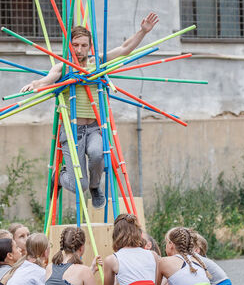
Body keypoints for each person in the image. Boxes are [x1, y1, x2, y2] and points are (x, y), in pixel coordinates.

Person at [20, 13, 160, 208]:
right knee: (79, 186)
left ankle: (96, 186)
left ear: (89, 46)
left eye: (84, 45)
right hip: (72, 131)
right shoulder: (64, 67)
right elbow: (46, 79)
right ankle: (60, 178)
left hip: (95, 127)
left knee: (97, 153)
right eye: (75, 45)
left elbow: (124, 49)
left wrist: (143, 31)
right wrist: (35, 84)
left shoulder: (98, 63)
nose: (79, 50)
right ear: (70, 45)